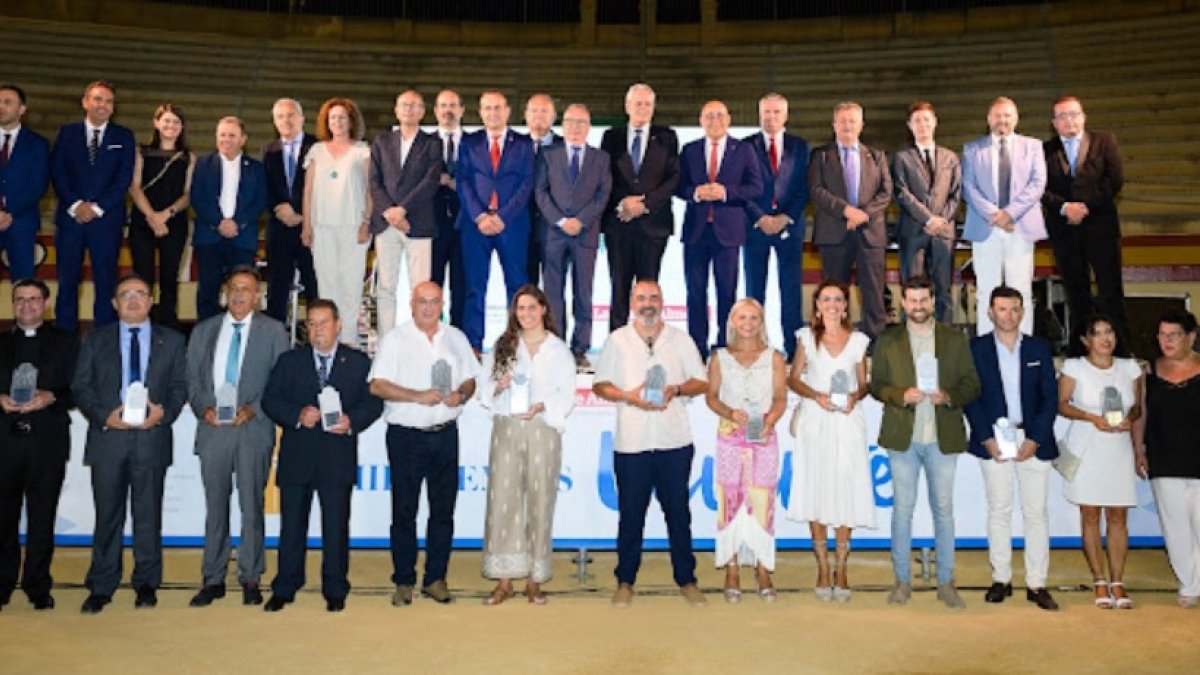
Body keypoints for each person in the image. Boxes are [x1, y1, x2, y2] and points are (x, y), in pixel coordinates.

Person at [71, 274, 188, 614]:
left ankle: (147, 583)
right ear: (113, 303)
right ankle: (102, 585)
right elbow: (81, 387)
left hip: (152, 437)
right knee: (107, 515)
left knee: (148, 515)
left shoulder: (173, 340)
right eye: (126, 295)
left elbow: (181, 386)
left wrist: (163, 413)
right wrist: (103, 416)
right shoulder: (95, 340)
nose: (134, 300)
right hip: (108, 438)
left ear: (151, 301)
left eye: (140, 294)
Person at [592, 279, 708, 608]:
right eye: (641, 297)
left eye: (653, 297)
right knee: (631, 515)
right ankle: (625, 581)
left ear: (663, 302)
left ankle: (687, 580)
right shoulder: (617, 340)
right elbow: (600, 385)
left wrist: (676, 390)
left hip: (674, 440)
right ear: (631, 303)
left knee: (678, 514)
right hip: (633, 441)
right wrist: (628, 396)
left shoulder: (680, 340)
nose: (648, 303)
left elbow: (701, 380)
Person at [261, 299, 382, 612]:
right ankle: (285, 586)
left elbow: (373, 405)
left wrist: (351, 421)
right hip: (297, 457)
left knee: (336, 527)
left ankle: (335, 587)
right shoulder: (289, 361)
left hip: (336, 457)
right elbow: (270, 401)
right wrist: (297, 415)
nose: (317, 330)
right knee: (291, 529)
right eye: (311, 324)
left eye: (323, 323)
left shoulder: (357, 362)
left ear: (338, 325)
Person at [870, 275, 980, 608]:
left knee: (943, 512)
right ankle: (902, 581)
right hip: (902, 437)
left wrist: (949, 396)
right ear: (904, 303)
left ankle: (946, 582)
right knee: (902, 512)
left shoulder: (955, 340)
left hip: (941, 437)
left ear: (934, 301)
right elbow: (877, 386)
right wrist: (900, 395)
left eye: (924, 300)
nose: (918, 307)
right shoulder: (887, 340)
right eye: (912, 300)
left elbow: (972, 384)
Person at [369, 281, 479, 606]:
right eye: (422, 301)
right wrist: (417, 396)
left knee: (443, 512)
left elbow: (471, 378)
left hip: (446, 433)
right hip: (407, 436)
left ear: (442, 303)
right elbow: (377, 386)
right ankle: (404, 580)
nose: (428, 307)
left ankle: (435, 578)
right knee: (404, 511)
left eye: (434, 301)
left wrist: (463, 393)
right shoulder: (395, 339)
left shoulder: (455, 337)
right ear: (411, 304)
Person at [185, 266, 289, 608]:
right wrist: (204, 408)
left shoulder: (274, 331)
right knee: (215, 507)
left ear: (257, 295)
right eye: (234, 289)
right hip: (213, 429)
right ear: (224, 293)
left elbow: (280, 381)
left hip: (253, 429)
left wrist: (254, 408)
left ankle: (251, 575)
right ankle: (212, 577)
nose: (240, 295)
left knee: (251, 507)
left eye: (247, 289)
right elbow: (192, 380)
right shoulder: (204, 330)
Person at [476, 285, 576, 605]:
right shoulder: (503, 346)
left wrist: (543, 405)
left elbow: (567, 393)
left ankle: (535, 579)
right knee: (503, 501)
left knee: (541, 499)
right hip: (507, 427)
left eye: (532, 307)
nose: (527, 314)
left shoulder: (558, 350)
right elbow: (483, 390)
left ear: (544, 309)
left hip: (543, 430)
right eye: (521, 308)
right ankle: (504, 580)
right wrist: (498, 385)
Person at [963, 286, 1060, 611]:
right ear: (990, 312)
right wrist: (986, 438)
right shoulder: (976, 348)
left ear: (1023, 312)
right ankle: (1001, 578)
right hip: (993, 440)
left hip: (1033, 440)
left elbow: (1050, 397)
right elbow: (971, 396)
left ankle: (1037, 583)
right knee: (999, 511)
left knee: (1036, 514)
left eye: (1014, 309)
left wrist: (1035, 438)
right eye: (1002, 309)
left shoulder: (1039, 348)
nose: (1008, 315)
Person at [786, 279, 875, 602]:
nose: (832, 305)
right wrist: (817, 395)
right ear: (818, 304)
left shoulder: (859, 341)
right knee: (817, 490)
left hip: (848, 423)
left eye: (838, 299)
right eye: (826, 299)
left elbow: (865, 384)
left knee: (846, 491)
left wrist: (855, 395)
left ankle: (841, 567)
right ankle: (822, 567)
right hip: (816, 422)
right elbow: (793, 379)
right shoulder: (806, 338)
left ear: (846, 305)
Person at [0, 279, 78, 612]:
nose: (27, 306)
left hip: (47, 442)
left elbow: (81, 389)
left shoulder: (67, 342)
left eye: (34, 299)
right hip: (4, 443)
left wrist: (52, 397)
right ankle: (2, 584)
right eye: (20, 300)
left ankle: (37, 584)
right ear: (12, 304)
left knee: (42, 517)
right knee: (2, 518)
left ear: (45, 303)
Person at [1058, 314, 1143, 609]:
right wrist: (1090, 417)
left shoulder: (1130, 368)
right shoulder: (1074, 367)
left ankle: (1118, 581)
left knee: (1119, 517)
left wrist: (1127, 422)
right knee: (1090, 515)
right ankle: (1099, 581)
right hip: (1087, 447)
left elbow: (1137, 409)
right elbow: (1063, 405)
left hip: (1118, 449)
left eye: (1109, 332)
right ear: (1085, 340)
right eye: (1097, 333)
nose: (1105, 338)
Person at [704, 298, 786, 603]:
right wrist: (728, 412)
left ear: (761, 322)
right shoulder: (720, 357)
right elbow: (711, 397)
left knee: (762, 500)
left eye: (754, 317)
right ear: (732, 322)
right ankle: (732, 567)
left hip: (763, 437)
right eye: (742, 317)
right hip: (729, 437)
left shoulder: (774, 358)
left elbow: (780, 397)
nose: (748, 323)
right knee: (729, 500)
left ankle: (763, 568)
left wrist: (771, 420)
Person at [677, 100, 763, 360]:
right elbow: (678, 186)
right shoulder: (689, 150)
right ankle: (696, 347)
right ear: (701, 120)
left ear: (729, 119)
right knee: (695, 291)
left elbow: (756, 188)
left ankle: (726, 345)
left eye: (719, 116)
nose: (714, 120)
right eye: (708, 116)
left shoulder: (744, 150)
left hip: (729, 233)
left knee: (727, 291)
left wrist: (726, 193)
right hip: (696, 232)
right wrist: (695, 193)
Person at [1042, 96, 1130, 348]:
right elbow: (1039, 188)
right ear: (1054, 123)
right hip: (1064, 231)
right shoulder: (1044, 150)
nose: (1069, 120)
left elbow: (1115, 180)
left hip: (1100, 227)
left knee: (1110, 290)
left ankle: (1121, 347)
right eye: (1062, 116)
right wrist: (1064, 207)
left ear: (1083, 117)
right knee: (1076, 292)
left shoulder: (1105, 141)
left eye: (1073, 114)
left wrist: (1085, 207)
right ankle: (1081, 349)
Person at [50, 80, 135, 331]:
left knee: (106, 283)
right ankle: (64, 339)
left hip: (106, 221)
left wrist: (96, 208)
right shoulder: (67, 133)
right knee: (67, 282)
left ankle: (105, 339)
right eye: (98, 99)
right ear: (85, 102)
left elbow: (123, 179)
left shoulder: (124, 136)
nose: (103, 105)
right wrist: (76, 205)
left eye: (109, 101)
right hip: (70, 220)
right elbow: (57, 172)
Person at [456, 90, 536, 351]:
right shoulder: (469, 142)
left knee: (516, 287)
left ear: (507, 111)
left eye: (497, 108)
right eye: (487, 108)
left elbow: (527, 184)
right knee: (474, 287)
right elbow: (463, 181)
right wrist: (480, 215)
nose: (493, 113)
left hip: (512, 226)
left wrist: (502, 216)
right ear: (480, 112)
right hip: (475, 226)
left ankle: (516, 343)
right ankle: (474, 345)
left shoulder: (524, 144)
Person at [534, 103, 611, 371]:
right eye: (570, 122)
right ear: (562, 125)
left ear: (589, 127)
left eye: (582, 122)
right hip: (553, 234)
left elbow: (603, 194)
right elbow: (540, 193)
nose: (576, 128)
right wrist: (561, 220)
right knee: (552, 293)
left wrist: (581, 220)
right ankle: (555, 345)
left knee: (583, 292)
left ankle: (579, 349)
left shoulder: (601, 158)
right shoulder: (547, 154)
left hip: (585, 234)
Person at [962, 97, 1047, 336]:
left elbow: (1038, 183)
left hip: (1020, 227)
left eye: (1007, 115)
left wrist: (1010, 214)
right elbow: (968, 187)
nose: (1002, 120)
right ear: (989, 119)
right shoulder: (972, 149)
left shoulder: (1033, 146)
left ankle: (1024, 345)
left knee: (1022, 290)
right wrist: (995, 215)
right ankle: (986, 346)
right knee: (985, 291)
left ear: (1016, 118)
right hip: (985, 227)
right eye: (997, 115)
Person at [808, 101, 892, 342]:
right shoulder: (821, 156)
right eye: (843, 121)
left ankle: (876, 344)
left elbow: (886, 192)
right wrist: (846, 210)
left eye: (853, 121)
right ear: (834, 124)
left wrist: (863, 213)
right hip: (834, 232)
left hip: (870, 233)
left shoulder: (876, 156)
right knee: (833, 294)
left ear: (861, 125)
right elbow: (816, 190)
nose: (848, 125)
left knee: (874, 293)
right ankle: (833, 339)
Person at [600, 84, 680, 332]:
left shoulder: (667, 137)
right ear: (627, 107)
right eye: (637, 103)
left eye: (647, 104)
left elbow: (674, 179)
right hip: (619, 225)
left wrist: (644, 204)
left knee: (649, 291)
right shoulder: (611, 137)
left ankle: (649, 340)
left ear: (654, 108)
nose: (642, 108)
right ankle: (616, 345)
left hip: (653, 226)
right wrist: (624, 203)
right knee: (619, 289)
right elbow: (603, 177)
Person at [1137, 309, 1200, 608]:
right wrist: (1139, 449)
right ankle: (1189, 584)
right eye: (1162, 335)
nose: (1167, 341)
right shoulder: (1147, 372)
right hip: (1164, 459)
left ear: (1192, 337)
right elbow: (1140, 414)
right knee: (1175, 527)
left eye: (1174, 335)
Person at [369, 89, 442, 336]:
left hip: (418, 223)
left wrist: (403, 209)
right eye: (404, 105)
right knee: (385, 288)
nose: (409, 109)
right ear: (396, 110)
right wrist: (390, 212)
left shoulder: (433, 143)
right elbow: (374, 180)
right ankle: (386, 341)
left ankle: (420, 339)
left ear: (422, 111)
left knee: (421, 289)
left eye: (415, 105)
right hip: (386, 223)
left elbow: (430, 181)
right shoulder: (382, 141)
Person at [743, 93, 809, 361]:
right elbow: (740, 187)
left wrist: (785, 217)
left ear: (786, 115)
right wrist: (760, 217)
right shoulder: (745, 146)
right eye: (766, 112)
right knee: (754, 290)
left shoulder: (801, 146)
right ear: (759, 114)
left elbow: (805, 187)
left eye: (776, 112)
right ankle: (753, 346)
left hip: (789, 228)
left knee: (790, 289)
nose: (771, 117)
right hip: (754, 227)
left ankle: (793, 350)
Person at [301, 97, 372, 346]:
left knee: (351, 286)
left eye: (342, 117)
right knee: (327, 285)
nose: (338, 122)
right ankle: (327, 341)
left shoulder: (362, 150)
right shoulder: (316, 151)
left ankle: (349, 341)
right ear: (326, 122)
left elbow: (369, 190)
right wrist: (306, 226)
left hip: (353, 227)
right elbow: (308, 191)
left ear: (351, 121)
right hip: (322, 227)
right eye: (333, 118)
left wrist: (366, 222)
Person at [190, 116, 267, 321]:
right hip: (209, 238)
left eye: (232, 135)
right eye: (222, 135)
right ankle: (207, 339)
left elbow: (260, 202)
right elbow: (197, 197)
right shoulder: (203, 164)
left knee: (242, 292)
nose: (226, 139)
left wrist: (237, 223)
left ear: (243, 139)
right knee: (207, 291)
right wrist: (219, 223)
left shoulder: (257, 169)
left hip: (242, 239)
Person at [892, 101, 961, 324]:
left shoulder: (950, 157)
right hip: (914, 231)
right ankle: (911, 341)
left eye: (926, 120)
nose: (922, 125)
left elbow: (956, 194)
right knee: (913, 291)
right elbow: (901, 193)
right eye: (917, 121)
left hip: (943, 233)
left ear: (935, 122)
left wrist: (942, 220)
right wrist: (928, 218)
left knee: (943, 290)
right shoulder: (901, 158)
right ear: (909, 126)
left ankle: (945, 340)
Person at [128, 102, 195, 328]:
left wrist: (166, 214)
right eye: (166, 120)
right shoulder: (141, 152)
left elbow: (188, 193)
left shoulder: (188, 157)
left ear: (182, 127)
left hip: (173, 222)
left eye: (176, 122)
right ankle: (140, 322)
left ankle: (167, 324)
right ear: (156, 123)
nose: (171, 125)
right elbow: (134, 187)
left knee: (169, 276)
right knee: (143, 276)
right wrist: (151, 216)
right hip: (142, 221)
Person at [262, 98, 318, 324]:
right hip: (279, 228)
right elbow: (265, 186)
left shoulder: (318, 147)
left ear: (302, 118)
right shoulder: (269, 150)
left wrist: (299, 212)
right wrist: (278, 208)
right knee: (277, 290)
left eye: (291, 115)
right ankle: (277, 343)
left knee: (315, 288)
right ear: (274, 121)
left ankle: (318, 341)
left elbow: (323, 187)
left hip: (310, 227)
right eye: (280, 116)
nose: (286, 120)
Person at [0, 84, 50, 282]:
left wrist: (7, 212)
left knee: (24, 284)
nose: (1, 106)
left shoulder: (38, 143)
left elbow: (38, 184)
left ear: (22, 109)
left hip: (21, 222)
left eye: (7, 102)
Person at [430, 89, 466, 329]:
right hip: (432, 223)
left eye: (453, 105)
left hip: (466, 224)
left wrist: (458, 184)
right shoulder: (423, 142)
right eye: (443, 106)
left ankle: (459, 336)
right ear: (435, 111)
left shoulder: (475, 142)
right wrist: (437, 179)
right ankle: (431, 333)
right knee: (432, 285)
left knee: (463, 286)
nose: (448, 110)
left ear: (462, 110)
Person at [524, 93, 561, 287]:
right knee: (524, 290)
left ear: (554, 117)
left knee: (555, 291)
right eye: (534, 110)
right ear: (526, 115)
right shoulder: (514, 145)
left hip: (555, 232)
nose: (539, 115)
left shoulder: (566, 146)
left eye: (544, 111)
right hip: (520, 230)